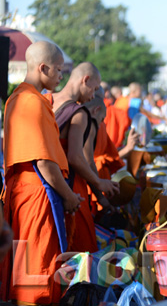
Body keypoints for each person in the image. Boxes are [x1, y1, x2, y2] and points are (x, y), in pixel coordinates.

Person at [0, 41, 83, 304]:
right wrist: (69, 196)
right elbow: (44, 162)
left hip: (24, 193)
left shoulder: (19, 97)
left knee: (26, 267)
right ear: (43, 67)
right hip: (37, 194)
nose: (61, 76)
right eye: (58, 70)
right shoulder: (31, 102)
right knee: (37, 271)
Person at [49, 62, 120, 253]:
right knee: (80, 251)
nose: (93, 96)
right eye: (95, 89)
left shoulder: (47, 101)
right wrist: (98, 183)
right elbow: (75, 157)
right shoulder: (79, 113)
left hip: (47, 183)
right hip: (71, 186)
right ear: (85, 80)